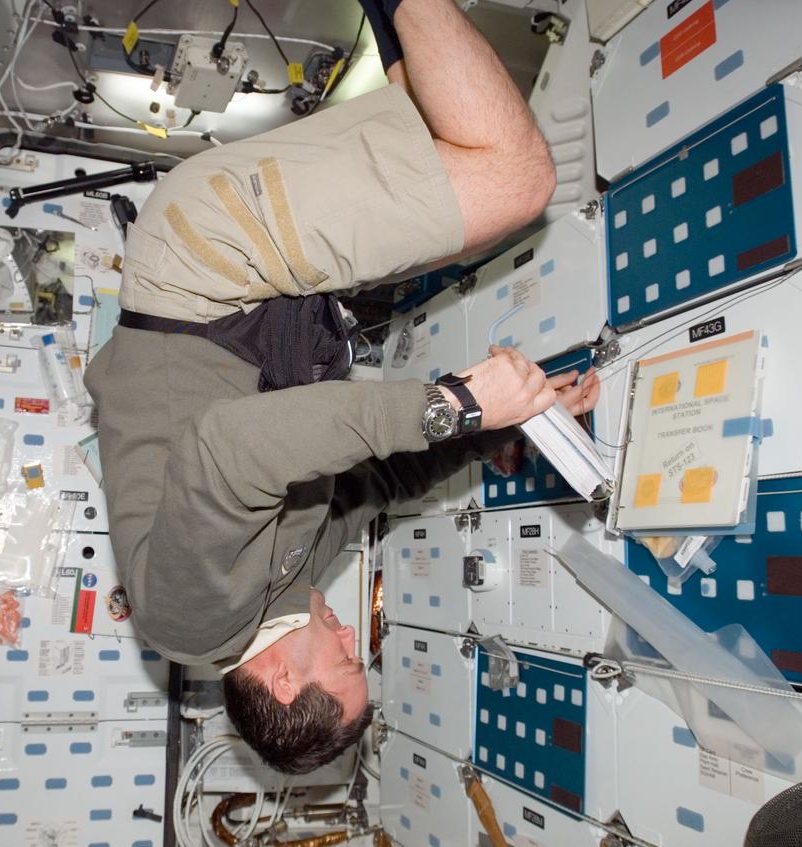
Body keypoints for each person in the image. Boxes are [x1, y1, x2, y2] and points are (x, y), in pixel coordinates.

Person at [84, 0, 600, 774]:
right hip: (248, 300)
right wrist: (503, 429)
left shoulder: (192, 623)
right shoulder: (276, 590)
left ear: (284, 680)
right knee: (447, 158)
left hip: (206, 274)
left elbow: (229, 448)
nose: (356, 640)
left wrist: (454, 401)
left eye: (346, 665)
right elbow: (376, 484)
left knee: (516, 179)